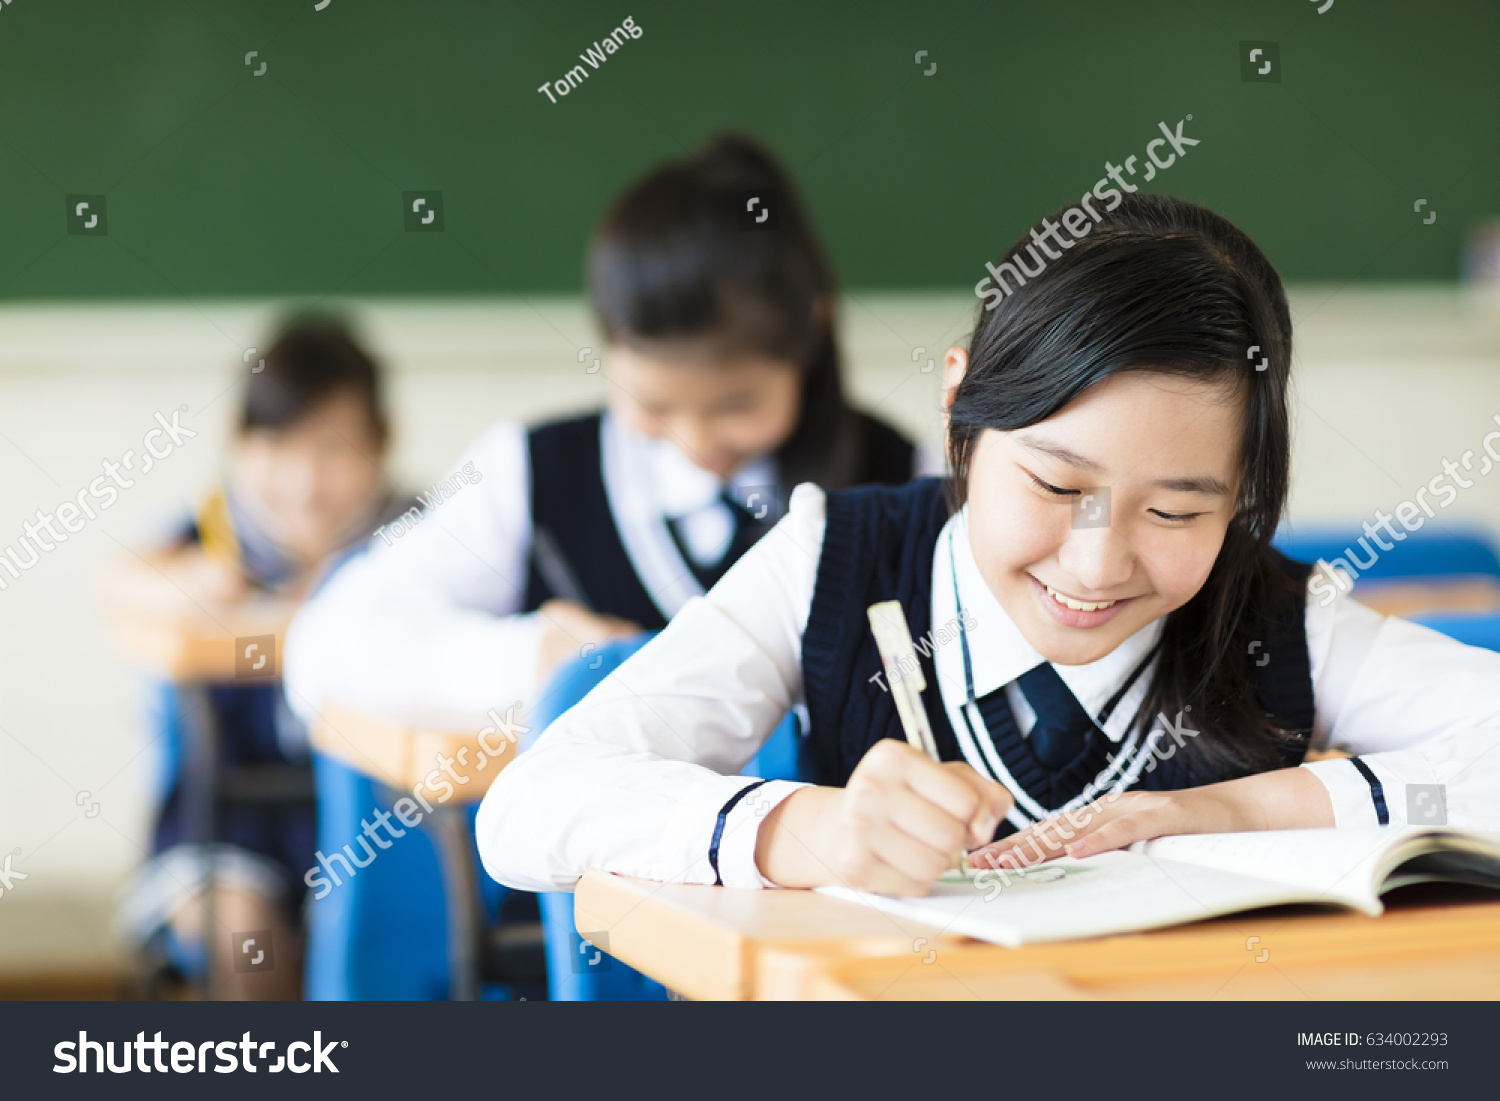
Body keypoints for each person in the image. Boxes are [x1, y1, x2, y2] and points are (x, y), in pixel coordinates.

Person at [473, 193, 1500, 899]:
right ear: (960, 401)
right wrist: (807, 832)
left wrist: (1248, 808)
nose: (1098, 565)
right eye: (1059, 485)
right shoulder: (837, 561)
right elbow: (528, 809)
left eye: (1179, 512)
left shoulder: (1277, 618)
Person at [284, 133, 928, 726]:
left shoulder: (906, 477)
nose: (695, 441)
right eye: (652, 403)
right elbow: (325, 646)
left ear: (809, 338)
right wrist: (527, 657)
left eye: (735, 406)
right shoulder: (530, 472)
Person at [111, 317, 409, 996]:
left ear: (382, 444)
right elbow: (113, 582)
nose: (305, 481)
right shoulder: (214, 538)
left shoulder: (420, 539)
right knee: (243, 940)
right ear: (239, 448)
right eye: (276, 446)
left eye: (335, 448)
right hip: (229, 833)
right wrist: (198, 583)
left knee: (402, 937)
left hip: (384, 820)